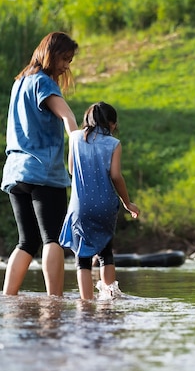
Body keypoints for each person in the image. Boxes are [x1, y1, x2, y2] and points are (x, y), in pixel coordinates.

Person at [0, 31, 79, 296]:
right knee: (53, 238)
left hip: (15, 172)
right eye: (64, 59)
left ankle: (8, 298)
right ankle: (54, 300)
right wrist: (76, 149)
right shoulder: (44, 83)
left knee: (27, 241)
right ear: (51, 54)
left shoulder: (19, 82)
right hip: (43, 172)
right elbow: (68, 118)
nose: (66, 66)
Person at [59, 101, 140, 300]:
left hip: (81, 206)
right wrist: (127, 203)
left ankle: (86, 301)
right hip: (105, 205)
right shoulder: (113, 144)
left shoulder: (75, 138)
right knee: (106, 252)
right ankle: (109, 297)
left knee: (83, 257)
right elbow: (116, 176)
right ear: (111, 124)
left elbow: (70, 169)